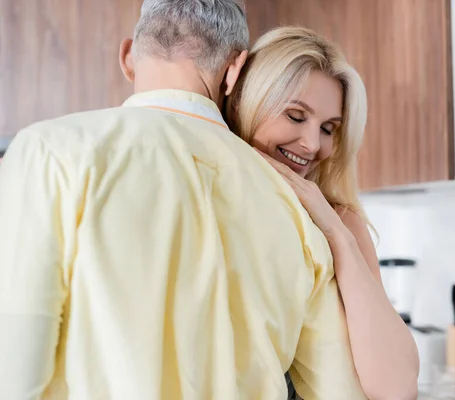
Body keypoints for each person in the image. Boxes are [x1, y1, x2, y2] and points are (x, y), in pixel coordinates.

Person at [0, 1, 367, 399]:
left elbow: (15, 368)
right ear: (235, 71)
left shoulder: (51, 153)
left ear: (128, 57)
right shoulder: (297, 205)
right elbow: (342, 391)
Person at [226, 26, 420, 400]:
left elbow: (397, 388)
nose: (313, 144)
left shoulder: (339, 221)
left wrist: (335, 231)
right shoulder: (211, 202)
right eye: (296, 116)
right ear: (243, 103)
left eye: (329, 128)